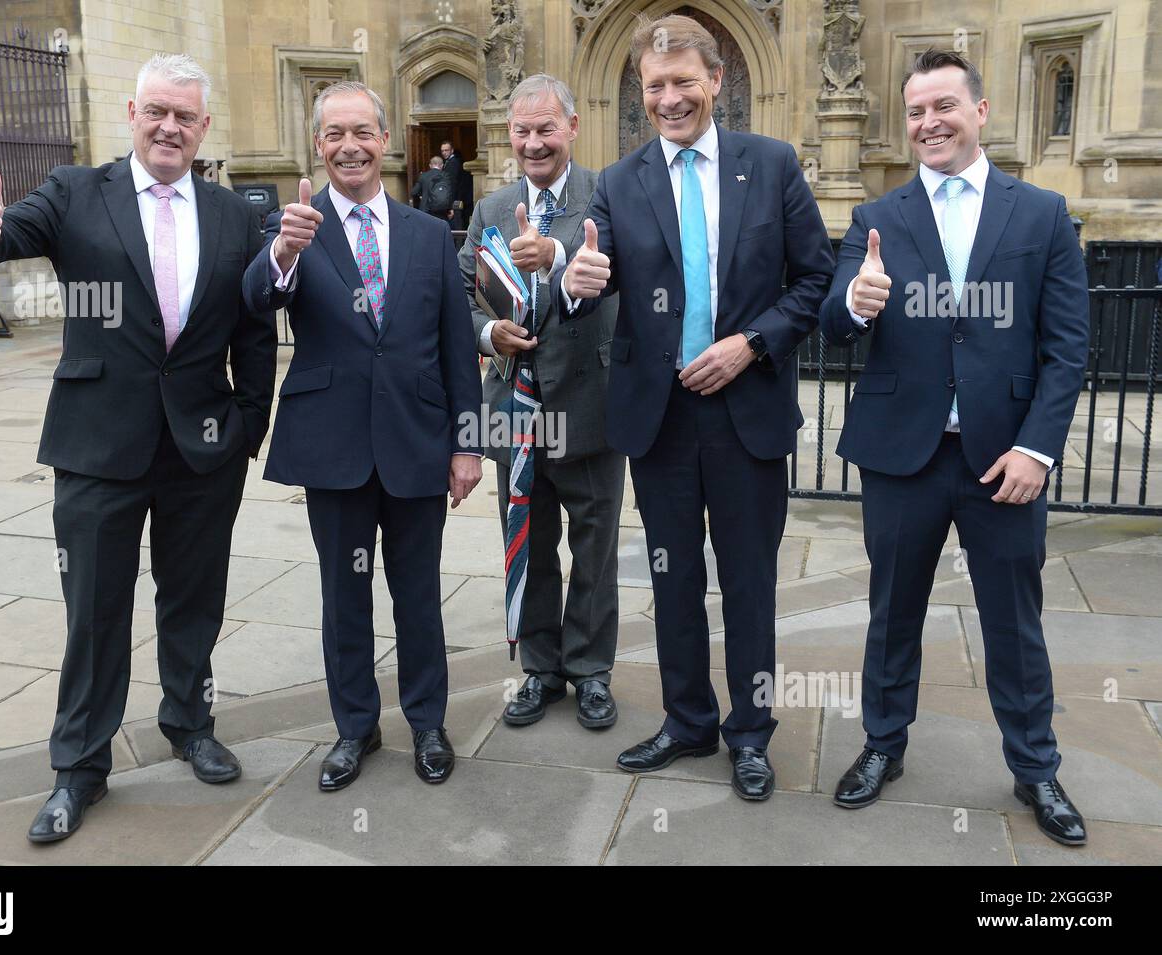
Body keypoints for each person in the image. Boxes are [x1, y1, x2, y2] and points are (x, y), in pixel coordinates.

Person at [0, 53, 277, 843]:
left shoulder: (232, 213)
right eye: (157, 112)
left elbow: (254, 327)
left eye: (186, 117)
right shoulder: (75, 191)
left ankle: (190, 723)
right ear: (132, 112)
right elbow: (7, 236)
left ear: (204, 127)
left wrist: (246, 425)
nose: (170, 127)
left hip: (202, 445)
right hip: (99, 441)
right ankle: (80, 766)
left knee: (194, 596)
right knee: (94, 607)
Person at [556, 14, 834, 801]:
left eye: (684, 82)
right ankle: (687, 721)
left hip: (747, 413)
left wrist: (752, 342)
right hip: (661, 419)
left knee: (748, 581)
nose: (669, 98)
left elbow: (816, 279)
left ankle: (750, 733)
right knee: (672, 577)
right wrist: (577, 281)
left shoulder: (772, 166)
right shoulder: (618, 180)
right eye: (655, 86)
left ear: (717, 79)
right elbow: (595, 271)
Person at [820, 49, 1090, 846]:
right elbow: (833, 319)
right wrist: (857, 303)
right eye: (914, 112)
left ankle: (1036, 766)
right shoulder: (877, 218)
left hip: (1003, 458)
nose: (928, 123)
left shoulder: (1040, 212)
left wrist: (1037, 451)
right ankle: (882, 744)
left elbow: (1068, 347)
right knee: (891, 612)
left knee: (1014, 620)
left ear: (979, 112)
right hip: (902, 452)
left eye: (943, 106)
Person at [243, 81, 483, 791]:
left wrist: (467, 444)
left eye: (362, 131)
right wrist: (284, 252)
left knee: (417, 594)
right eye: (334, 134)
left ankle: (428, 723)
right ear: (318, 145)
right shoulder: (297, 226)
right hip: (335, 447)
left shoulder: (429, 233)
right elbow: (259, 296)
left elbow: (454, 348)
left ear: (384, 140)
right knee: (343, 597)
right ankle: (355, 727)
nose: (349, 145)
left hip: (416, 442)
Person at [458, 74, 625, 730]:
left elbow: (618, 270)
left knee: (595, 547)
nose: (533, 142)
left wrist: (557, 259)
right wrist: (487, 331)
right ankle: (539, 669)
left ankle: (590, 671)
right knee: (528, 539)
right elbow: (466, 291)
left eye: (546, 128)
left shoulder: (604, 196)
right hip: (516, 410)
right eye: (522, 130)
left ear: (573, 129)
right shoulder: (491, 207)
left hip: (592, 403)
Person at [411, 155, 455, 220]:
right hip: (441, 212)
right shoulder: (446, 176)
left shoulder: (423, 176)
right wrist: (450, 208)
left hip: (425, 211)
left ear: (430, 165)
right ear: (442, 165)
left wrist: (421, 196)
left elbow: (414, 192)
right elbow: (450, 193)